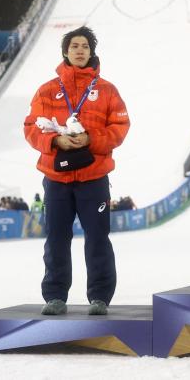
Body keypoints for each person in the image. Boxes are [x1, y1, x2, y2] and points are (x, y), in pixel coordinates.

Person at [24, 26, 130, 315]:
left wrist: (90, 139)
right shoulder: (47, 90)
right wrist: (55, 139)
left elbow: (120, 127)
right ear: (66, 52)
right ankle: (55, 296)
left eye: (85, 46)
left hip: (93, 177)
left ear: (91, 51)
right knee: (56, 237)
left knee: (97, 237)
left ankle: (99, 297)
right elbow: (31, 127)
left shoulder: (107, 90)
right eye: (74, 46)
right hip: (56, 177)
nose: (80, 50)